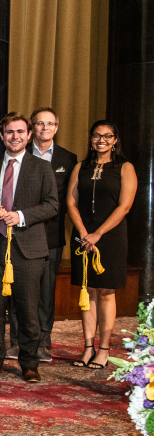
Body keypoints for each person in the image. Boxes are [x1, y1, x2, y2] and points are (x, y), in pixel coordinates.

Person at [0, 112, 57, 383]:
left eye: (20, 132)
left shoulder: (41, 167)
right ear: (1, 136)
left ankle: (30, 363)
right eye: (10, 132)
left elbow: (52, 205)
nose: (15, 137)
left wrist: (20, 216)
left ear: (29, 135)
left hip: (29, 250)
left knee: (28, 310)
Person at [6, 107, 77, 363]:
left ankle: (43, 342)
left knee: (46, 291)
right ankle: (16, 342)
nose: (44, 128)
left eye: (49, 124)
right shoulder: (17, 156)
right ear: (31, 129)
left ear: (56, 127)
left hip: (51, 236)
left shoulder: (68, 159)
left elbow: (65, 201)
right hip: (19, 235)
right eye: (39, 124)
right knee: (18, 290)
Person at [68, 120, 136, 369]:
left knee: (106, 292)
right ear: (91, 138)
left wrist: (98, 234)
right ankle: (88, 348)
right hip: (83, 236)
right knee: (87, 292)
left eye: (108, 136)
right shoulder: (80, 167)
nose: (102, 140)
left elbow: (125, 206)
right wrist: (85, 233)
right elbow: (71, 203)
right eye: (97, 136)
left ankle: (104, 350)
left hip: (111, 237)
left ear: (115, 140)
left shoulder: (124, 167)